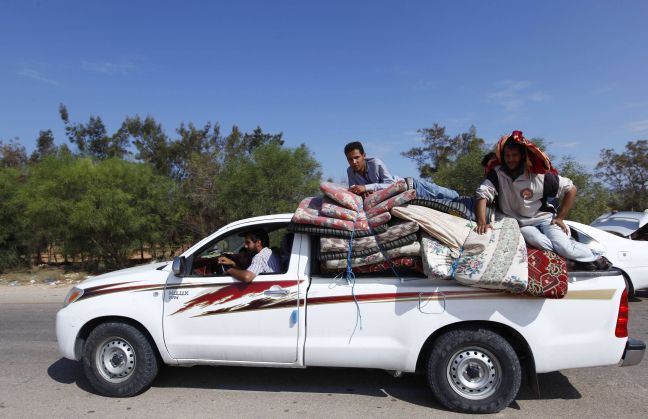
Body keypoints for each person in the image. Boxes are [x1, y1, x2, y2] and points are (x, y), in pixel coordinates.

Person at [474, 131, 610, 268]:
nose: (510, 159)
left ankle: (596, 256)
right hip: (522, 224)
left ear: (522, 156)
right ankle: (575, 261)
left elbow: (571, 189)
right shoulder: (498, 174)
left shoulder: (539, 175)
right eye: (507, 156)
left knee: (564, 247)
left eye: (514, 155)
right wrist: (482, 222)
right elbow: (482, 195)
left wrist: (561, 218)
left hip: (545, 219)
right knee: (538, 241)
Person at [344, 141, 459, 200]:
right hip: (398, 197)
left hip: (411, 186)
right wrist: (363, 193)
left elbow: (390, 185)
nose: (354, 162)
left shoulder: (375, 163)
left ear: (364, 155)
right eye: (350, 159)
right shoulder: (350, 172)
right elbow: (355, 192)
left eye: (356, 157)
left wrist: (366, 188)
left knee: (448, 196)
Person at [217, 229, 282, 283]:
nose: (245, 246)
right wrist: (233, 264)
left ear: (258, 243)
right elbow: (249, 271)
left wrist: (229, 270)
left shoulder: (260, 257)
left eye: (248, 242)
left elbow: (247, 277)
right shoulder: (270, 253)